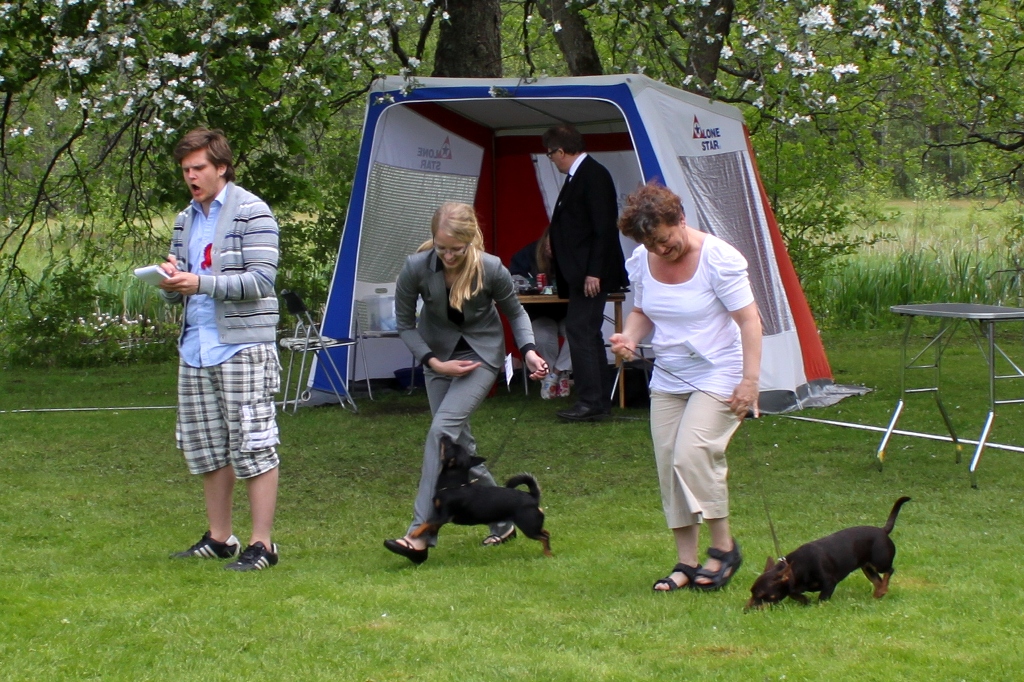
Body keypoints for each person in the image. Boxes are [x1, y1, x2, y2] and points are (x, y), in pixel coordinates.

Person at [609, 182, 761, 592]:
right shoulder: (643, 260)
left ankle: (723, 548)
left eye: (664, 239)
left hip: (720, 370)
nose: (660, 250)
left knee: (692, 453)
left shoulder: (719, 259)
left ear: (680, 219)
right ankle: (686, 562)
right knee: (668, 462)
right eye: (650, 244)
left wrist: (750, 382)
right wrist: (629, 338)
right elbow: (642, 311)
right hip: (671, 373)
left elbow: (749, 320)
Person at [384, 202, 549, 564]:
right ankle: (503, 520)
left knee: (442, 432)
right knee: (460, 444)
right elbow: (405, 324)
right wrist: (434, 362)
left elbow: (516, 312)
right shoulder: (415, 267)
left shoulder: (491, 268)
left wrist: (529, 351)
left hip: (480, 357)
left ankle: (419, 534)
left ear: (471, 241)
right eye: (441, 248)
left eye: (456, 249)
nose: (448, 256)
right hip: (437, 358)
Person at [158, 128, 282, 572]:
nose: (191, 177)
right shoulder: (184, 219)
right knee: (207, 447)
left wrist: (201, 282)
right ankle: (219, 537)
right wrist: (169, 281)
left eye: (198, 168)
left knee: (253, 444)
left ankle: (263, 544)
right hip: (196, 348)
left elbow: (261, 280)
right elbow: (182, 285)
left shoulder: (253, 211)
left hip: (242, 346)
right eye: (185, 170)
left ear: (222, 167)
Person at [542, 124, 627, 422]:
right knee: (584, 332)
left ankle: (591, 401)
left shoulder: (593, 175)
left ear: (561, 151)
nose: (552, 160)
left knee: (581, 331)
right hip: (578, 273)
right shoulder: (577, 176)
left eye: (551, 154)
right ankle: (597, 400)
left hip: (591, 274)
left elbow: (604, 228)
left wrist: (594, 272)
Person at [508, 229, 572, 399]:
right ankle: (550, 375)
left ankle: (557, 373)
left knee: (578, 334)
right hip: (538, 312)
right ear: (544, 240)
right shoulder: (525, 256)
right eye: (550, 244)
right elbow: (512, 280)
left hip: (566, 312)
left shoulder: (570, 257)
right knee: (544, 337)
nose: (552, 248)